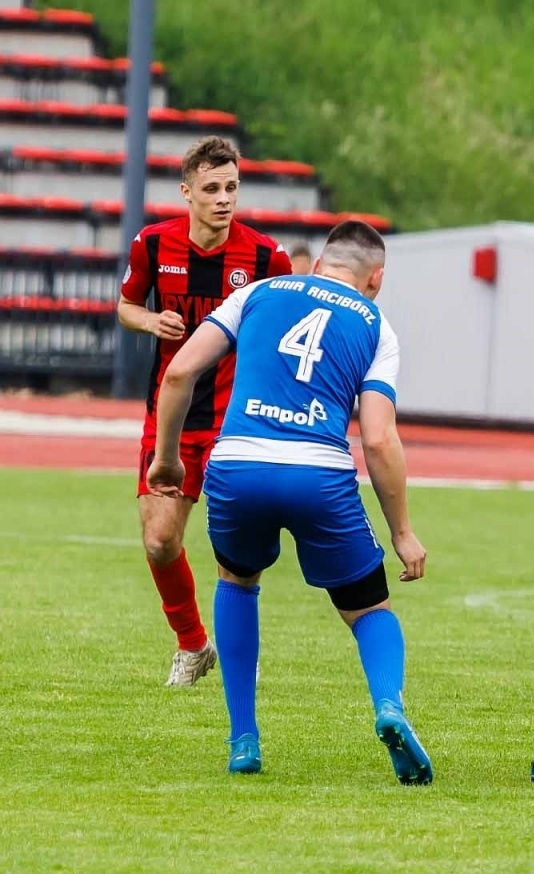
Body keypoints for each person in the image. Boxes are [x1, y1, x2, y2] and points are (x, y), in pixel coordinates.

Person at [146, 221, 432, 784]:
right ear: (376, 277)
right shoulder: (376, 326)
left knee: (236, 580)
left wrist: (168, 459)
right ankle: (389, 708)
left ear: (321, 261)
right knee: (369, 609)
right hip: (318, 475)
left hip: (237, 465)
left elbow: (179, 370)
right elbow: (377, 437)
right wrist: (402, 531)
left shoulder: (255, 292)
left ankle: (243, 739)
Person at [117, 136, 295, 686]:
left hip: (235, 423)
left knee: (233, 550)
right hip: (169, 417)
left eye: (232, 188)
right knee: (159, 539)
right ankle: (194, 645)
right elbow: (125, 306)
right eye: (212, 189)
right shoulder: (152, 245)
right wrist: (150, 321)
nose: (223, 199)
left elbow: (280, 334)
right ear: (187, 191)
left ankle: (239, 651)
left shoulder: (268, 258)